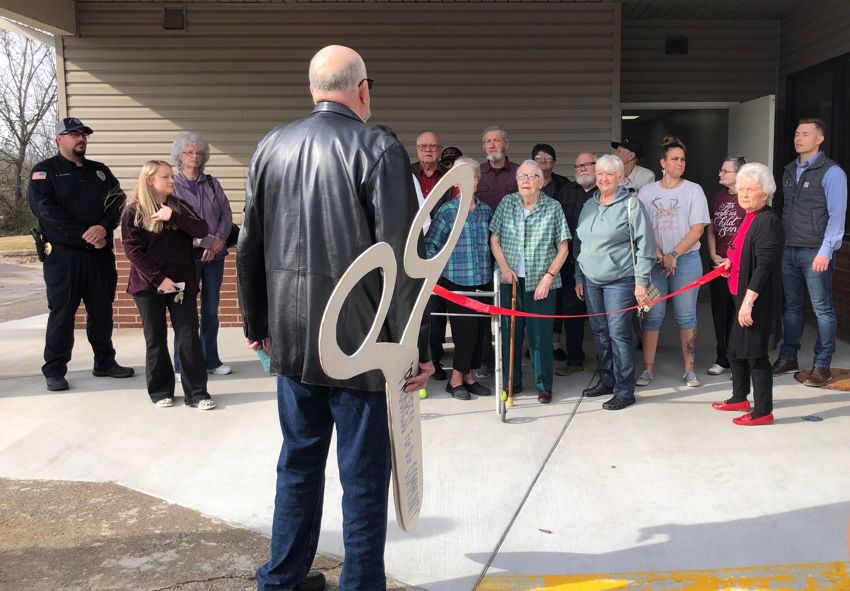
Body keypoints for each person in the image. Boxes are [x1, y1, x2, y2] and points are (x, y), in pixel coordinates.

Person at [237, 45, 433, 591]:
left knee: (298, 462)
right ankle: (360, 583)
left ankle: (282, 578)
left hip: (292, 340)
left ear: (313, 90)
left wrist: (257, 324)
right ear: (363, 89)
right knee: (363, 475)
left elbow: (249, 244)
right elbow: (403, 258)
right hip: (360, 344)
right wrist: (414, 348)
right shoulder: (378, 148)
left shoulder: (271, 145)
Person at [28, 117, 134, 392]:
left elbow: (118, 201)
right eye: (73, 134)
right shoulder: (44, 171)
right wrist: (85, 234)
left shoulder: (99, 171)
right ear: (59, 139)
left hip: (99, 255)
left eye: (83, 134)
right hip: (64, 257)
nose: (81, 138)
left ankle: (105, 362)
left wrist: (103, 228)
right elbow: (45, 211)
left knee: (102, 311)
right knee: (62, 313)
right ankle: (55, 369)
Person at [121, 161, 216, 410]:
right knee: (156, 340)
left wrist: (173, 216)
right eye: (165, 177)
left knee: (188, 338)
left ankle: (197, 394)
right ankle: (161, 392)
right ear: (149, 180)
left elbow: (202, 229)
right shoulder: (133, 212)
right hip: (148, 287)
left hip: (182, 286)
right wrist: (158, 279)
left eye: (172, 176)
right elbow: (133, 251)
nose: (172, 180)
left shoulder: (179, 206)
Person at [574, 155, 656, 411]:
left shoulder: (631, 205)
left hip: (620, 280)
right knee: (599, 332)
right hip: (590, 279)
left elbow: (646, 246)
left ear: (621, 177)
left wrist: (641, 282)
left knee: (619, 334)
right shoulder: (588, 205)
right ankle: (607, 380)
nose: (604, 178)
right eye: (600, 173)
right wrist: (579, 276)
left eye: (610, 174)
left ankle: (624, 390)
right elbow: (580, 243)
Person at [773, 118, 848, 387]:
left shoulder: (832, 172)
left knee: (822, 309)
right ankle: (788, 357)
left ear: (819, 139)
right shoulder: (789, 170)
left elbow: (837, 216)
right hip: (789, 248)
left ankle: (822, 365)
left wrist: (826, 250)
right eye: (796, 133)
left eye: (805, 134)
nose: (798, 138)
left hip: (815, 250)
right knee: (792, 306)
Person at [490, 160, 570, 404]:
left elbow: (563, 248)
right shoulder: (507, 203)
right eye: (521, 176)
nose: (525, 180)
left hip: (541, 283)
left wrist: (549, 277)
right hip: (510, 281)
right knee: (509, 333)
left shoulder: (553, 207)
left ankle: (544, 385)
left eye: (531, 176)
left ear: (541, 182)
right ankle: (511, 381)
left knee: (540, 337)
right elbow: (494, 239)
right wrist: (504, 268)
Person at [712, 163, 784, 426]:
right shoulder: (750, 216)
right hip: (739, 293)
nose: (743, 194)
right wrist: (730, 264)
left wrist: (748, 302)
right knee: (734, 349)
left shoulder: (768, 221)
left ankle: (763, 411)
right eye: (741, 189)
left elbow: (764, 266)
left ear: (765, 192)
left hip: (755, 299)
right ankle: (739, 397)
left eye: (750, 189)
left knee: (756, 354)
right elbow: (742, 250)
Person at [636, 136, 710, 388]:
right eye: (674, 159)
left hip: (686, 261)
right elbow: (641, 228)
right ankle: (647, 369)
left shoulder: (694, 190)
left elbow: (697, 229)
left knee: (686, 315)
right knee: (653, 316)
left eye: (683, 159)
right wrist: (659, 254)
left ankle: (689, 370)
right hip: (654, 262)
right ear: (663, 163)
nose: (679, 163)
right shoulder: (647, 192)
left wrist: (674, 254)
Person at [425, 157, 493, 400]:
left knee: (480, 333)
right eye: (462, 177)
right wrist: (433, 274)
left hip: (483, 280)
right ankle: (455, 380)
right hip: (456, 281)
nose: (468, 181)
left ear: (477, 181)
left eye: (472, 177)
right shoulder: (447, 211)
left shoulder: (486, 211)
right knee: (464, 333)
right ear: (455, 182)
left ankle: (469, 377)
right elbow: (431, 245)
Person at [169, 132, 234, 382]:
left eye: (198, 152)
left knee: (210, 311)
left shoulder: (212, 183)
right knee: (184, 312)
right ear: (179, 156)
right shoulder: (173, 185)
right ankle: (181, 365)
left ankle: (211, 360)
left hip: (215, 258)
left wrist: (218, 241)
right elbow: (177, 222)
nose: (194, 156)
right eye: (189, 152)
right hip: (186, 258)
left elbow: (226, 214)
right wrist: (206, 241)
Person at [554, 152, 597, 376]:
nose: (582, 169)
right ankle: (574, 359)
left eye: (588, 164)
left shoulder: (605, 190)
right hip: (571, 263)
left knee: (602, 316)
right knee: (572, 314)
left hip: (600, 264)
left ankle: (605, 361)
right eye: (578, 166)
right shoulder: (566, 191)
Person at [706, 156, 747, 376]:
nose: (720, 174)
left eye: (725, 171)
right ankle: (722, 358)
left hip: (739, 265)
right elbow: (711, 229)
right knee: (720, 313)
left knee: (738, 313)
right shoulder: (718, 197)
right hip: (718, 264)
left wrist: (733, 259)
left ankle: (738, 358)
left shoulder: (748, 197)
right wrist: (713, 255)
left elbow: (749, 234)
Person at [476, 125, 519, 211]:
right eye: (488, 141)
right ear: (484, 146)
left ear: (506, 145)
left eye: (496, 140)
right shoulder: (476, 172)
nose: (492, 145)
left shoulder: (519, 172)